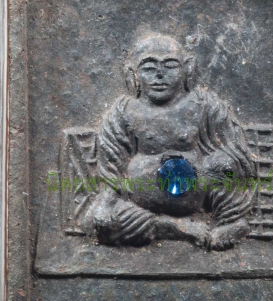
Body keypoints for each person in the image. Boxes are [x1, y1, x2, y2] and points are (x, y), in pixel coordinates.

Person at [83, 34, 256, 251]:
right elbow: (111, 166)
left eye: (170, 66)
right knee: (97, 222)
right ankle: (169, 227)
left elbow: (234, 151)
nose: (159, 75)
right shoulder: (124, 110)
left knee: (225, 163)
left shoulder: (203, 104)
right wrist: (106, 201)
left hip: (195, 192)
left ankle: (232, 222)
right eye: (148, 67)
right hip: (140, 201)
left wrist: (210, 170)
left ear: (188, 69)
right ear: (132, 73)